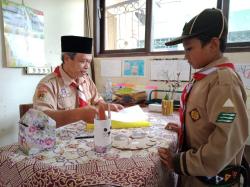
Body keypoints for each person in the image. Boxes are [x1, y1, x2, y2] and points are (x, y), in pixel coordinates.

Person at [158, 8, 249, 187]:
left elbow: (226, 139)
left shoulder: (224, 82)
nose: (186, 56)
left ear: (213, 45)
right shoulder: (205, 78)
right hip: (195, 175)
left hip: (209, 180)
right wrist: (187, 129)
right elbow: (206, 120)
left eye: (189, 49)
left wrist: (179, 162)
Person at [33, 35, 123, 127]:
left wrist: (105, 106)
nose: (87, 66)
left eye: (89, 62)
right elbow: (41, 120)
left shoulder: (86, 80)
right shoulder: (47, 85)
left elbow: (97, 101)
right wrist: (78, 114)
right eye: (83, 61)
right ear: (67, 59)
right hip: (63, 138)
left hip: (88, 133)